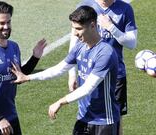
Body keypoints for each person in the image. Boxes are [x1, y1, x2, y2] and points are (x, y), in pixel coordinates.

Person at [12, 6, 120, 135]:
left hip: (104, 121)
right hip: (83, 118)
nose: (74, 33)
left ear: (92, 25)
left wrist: (60, 102)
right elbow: (59, 69)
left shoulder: (105, 52)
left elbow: (88, 88)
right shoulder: (80, 47)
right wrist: (28, 77)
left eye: (79, 29)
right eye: (73, 28)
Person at [0, 1, 47, 135]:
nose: (6, 27)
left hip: (11, 117)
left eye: (8, 22)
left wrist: (35, 57)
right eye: (2, 23)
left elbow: (19, 75)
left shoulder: (14, 47)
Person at [68, 0, 137, 134]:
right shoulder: (85, 7)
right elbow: (74, 43)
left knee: (115, 124)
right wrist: (71, 74)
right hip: (87, 74)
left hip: (115, 77)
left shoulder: (125, 9)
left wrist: (111, 27)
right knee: (86, 116)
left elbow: (132, 43)